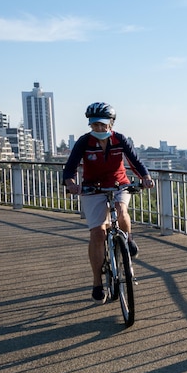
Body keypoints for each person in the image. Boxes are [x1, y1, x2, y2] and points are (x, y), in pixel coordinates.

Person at [62, 102, 155, 304]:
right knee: (97, 233)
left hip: (118, 184)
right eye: (95, 125)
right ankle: (97, 282)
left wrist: (145, 177)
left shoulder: (119, 140)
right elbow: (69, 169)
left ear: (111, 124)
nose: (99, 129)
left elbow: (135, 161)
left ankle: (128, 241)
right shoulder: (84, 142)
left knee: (121, 210)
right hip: (92, 188)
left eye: (103, 125)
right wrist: (71, 184)